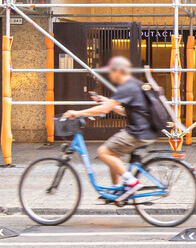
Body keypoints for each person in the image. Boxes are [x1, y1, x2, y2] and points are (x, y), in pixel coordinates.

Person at [62, 56, 158, 202]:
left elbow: (104, 111)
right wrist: (104, 100)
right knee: (113, 153)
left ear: (118, 71)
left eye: (111, 72)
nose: (110, 75)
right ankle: (116, 189)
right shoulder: (134, 84)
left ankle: (132, 183)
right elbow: (123, 110)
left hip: (138, 132)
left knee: (103, 151)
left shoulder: (126, 86)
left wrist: (77, 113)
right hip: (146, 130)